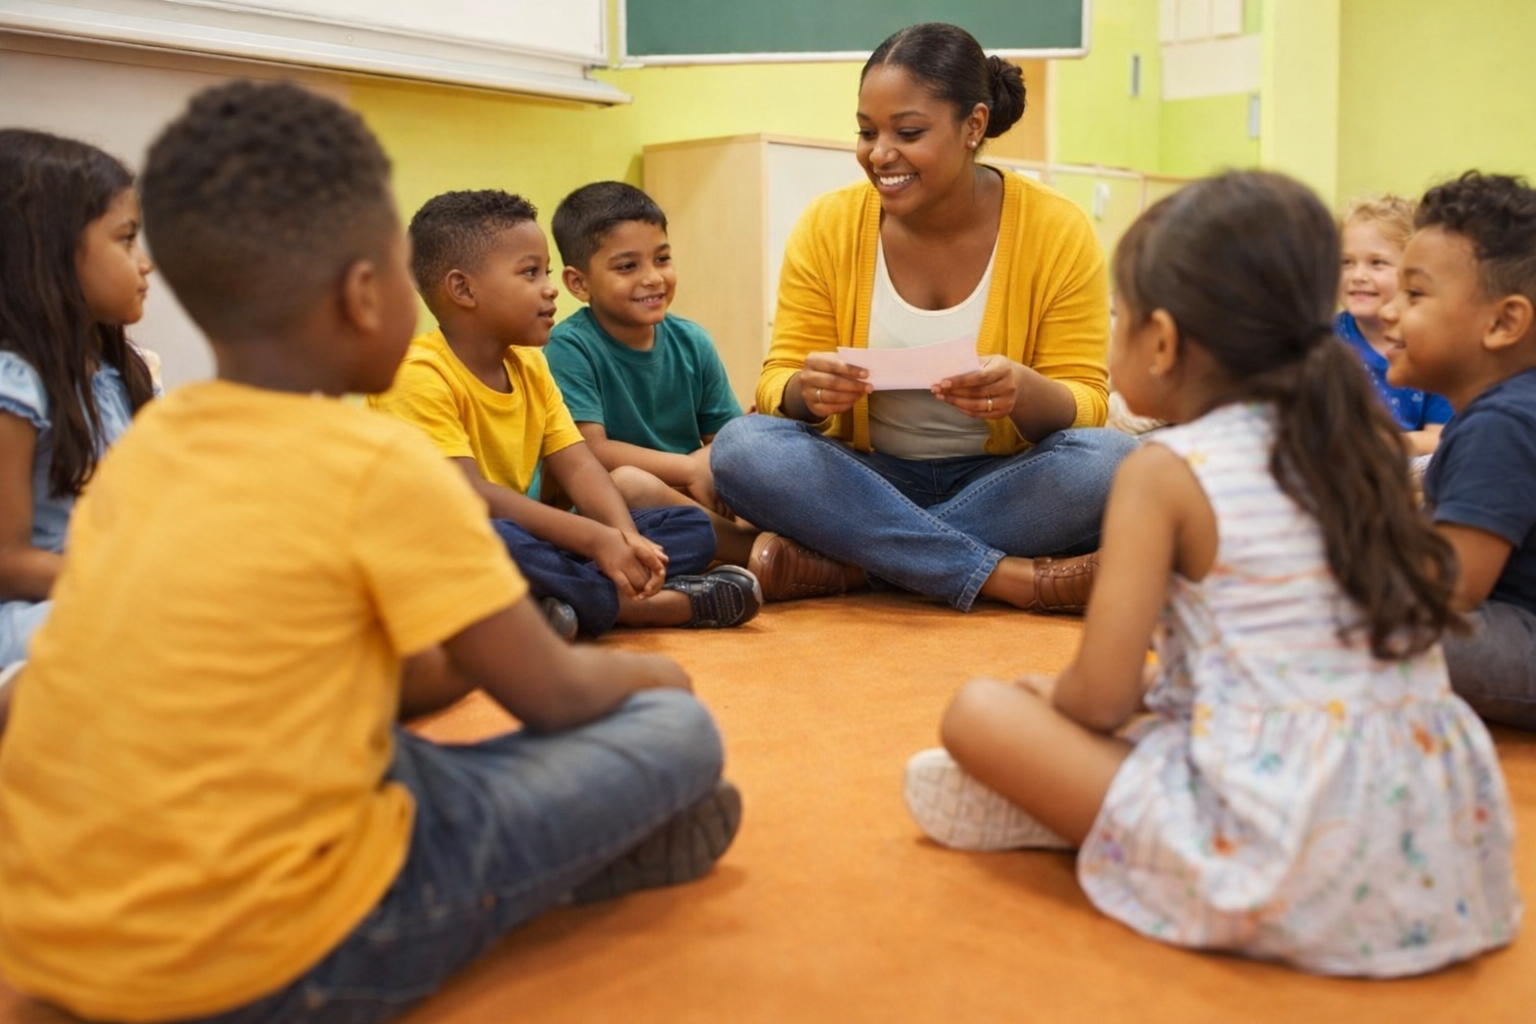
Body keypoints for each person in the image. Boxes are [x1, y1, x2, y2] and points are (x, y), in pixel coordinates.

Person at [0, 81, 741, 1024]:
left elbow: (383, 682)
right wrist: (655, 680)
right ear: (362, 295)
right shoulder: (380, 461)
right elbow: (554, 696)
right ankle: (538, 877)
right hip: (271, 962)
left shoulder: (148, 448)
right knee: (673, 729)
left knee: (402, 752)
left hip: (60, 942)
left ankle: (568, 849)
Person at [903, 171, 1520, 976]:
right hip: (1426, 836)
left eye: (1119, 317)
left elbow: (1099, 700)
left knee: (982, 711)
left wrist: (1050, 698)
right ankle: (1095, 804)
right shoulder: (1361, 441)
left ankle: (1093, 820)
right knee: (1167, 713)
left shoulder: (1166, 470)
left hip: (1282, 849)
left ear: (1161, 340)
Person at [709, 22, 1137, 613]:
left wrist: (1024, 391)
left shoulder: (1057, 228)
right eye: (866, 132)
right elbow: (775, 381)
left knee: (1114, 464)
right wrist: (807, 391)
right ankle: (1005, 577)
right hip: (865, 477)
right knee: (742, 447)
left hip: (1004, 477)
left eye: (907, 132)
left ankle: (857, 566)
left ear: (974, 125)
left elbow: (1087, 401)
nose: (879, 154)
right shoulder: (828, 225)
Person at [369, 189, 761, 639]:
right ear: (463, 289)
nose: (550, 287)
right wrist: (596, 540)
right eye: (530, 273)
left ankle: (556, 602)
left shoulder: (530, 364)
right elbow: (470, 497)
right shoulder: (415, 374)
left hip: (515, 543)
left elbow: (578, 465)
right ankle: (646, 607)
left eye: (547, 272)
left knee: (688, 527)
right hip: (432, 555)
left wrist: (624, 538)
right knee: (500, 539)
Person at [1379, 171, 1536, 730]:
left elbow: (1452, 586)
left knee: (1363, 616)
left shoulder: (1502, 422)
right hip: (1509, 617)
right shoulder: (1506, 409)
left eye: (1415, 294)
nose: (1390, 311)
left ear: (1504, 322)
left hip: (1522, 633)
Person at [0, 129, 157, 667]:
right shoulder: (15, 385)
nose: (145, 264)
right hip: (41, 611)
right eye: (126, 239)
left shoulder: (125, 372)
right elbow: (6, 562)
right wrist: (131, 580)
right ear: (50, 252)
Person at [545, 180, 758, 568]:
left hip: (692, 496)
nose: (653, 278)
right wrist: (689, 467)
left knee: (760, 460)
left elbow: (726, 440)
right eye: (627, 266)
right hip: (615, 510)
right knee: (630, 484)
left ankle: (748, 549)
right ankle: (753, 553)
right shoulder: (569, 346)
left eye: (662, 259)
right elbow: (589, 451)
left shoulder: (693, 340)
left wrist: (715, 459)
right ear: (579, 283)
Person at [1335, 194, 1453, 454]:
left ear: (1413, 272)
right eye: (1346, 262)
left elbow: (1441, 438)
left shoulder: (1433, 348)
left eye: (1377, 263)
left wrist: (1385, 445)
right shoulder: (1322, 342)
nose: (1358, 276)